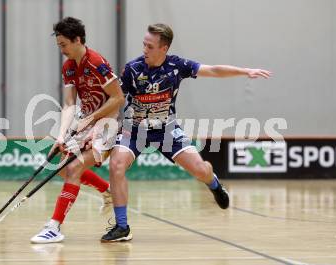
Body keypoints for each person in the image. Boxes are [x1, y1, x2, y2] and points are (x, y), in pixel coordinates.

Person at [101, 23, 272, 242]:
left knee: (200, 170)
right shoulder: (133, 68)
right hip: (134, 129)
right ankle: (122, 227)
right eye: (144, 44)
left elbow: (213, 70)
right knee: (116, 166)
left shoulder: (177, 65)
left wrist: (245, 71)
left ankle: (215, 184)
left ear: (164, 48)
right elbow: (116, 99)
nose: (144, 49)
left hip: (167, 130)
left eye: (150, 46)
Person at [30, 17, 125, 244]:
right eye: (59, 45)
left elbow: (118, 98)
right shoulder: (69, 67)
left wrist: (92, 119)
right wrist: (62, 135)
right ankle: (107, 191)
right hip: (86, 122)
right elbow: (70, 104)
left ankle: (54, 227)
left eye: (63, 45)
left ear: (77, 40)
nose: (61, 50)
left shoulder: (96, 63)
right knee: (63, 168)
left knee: (73, 169)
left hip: (108, 124)